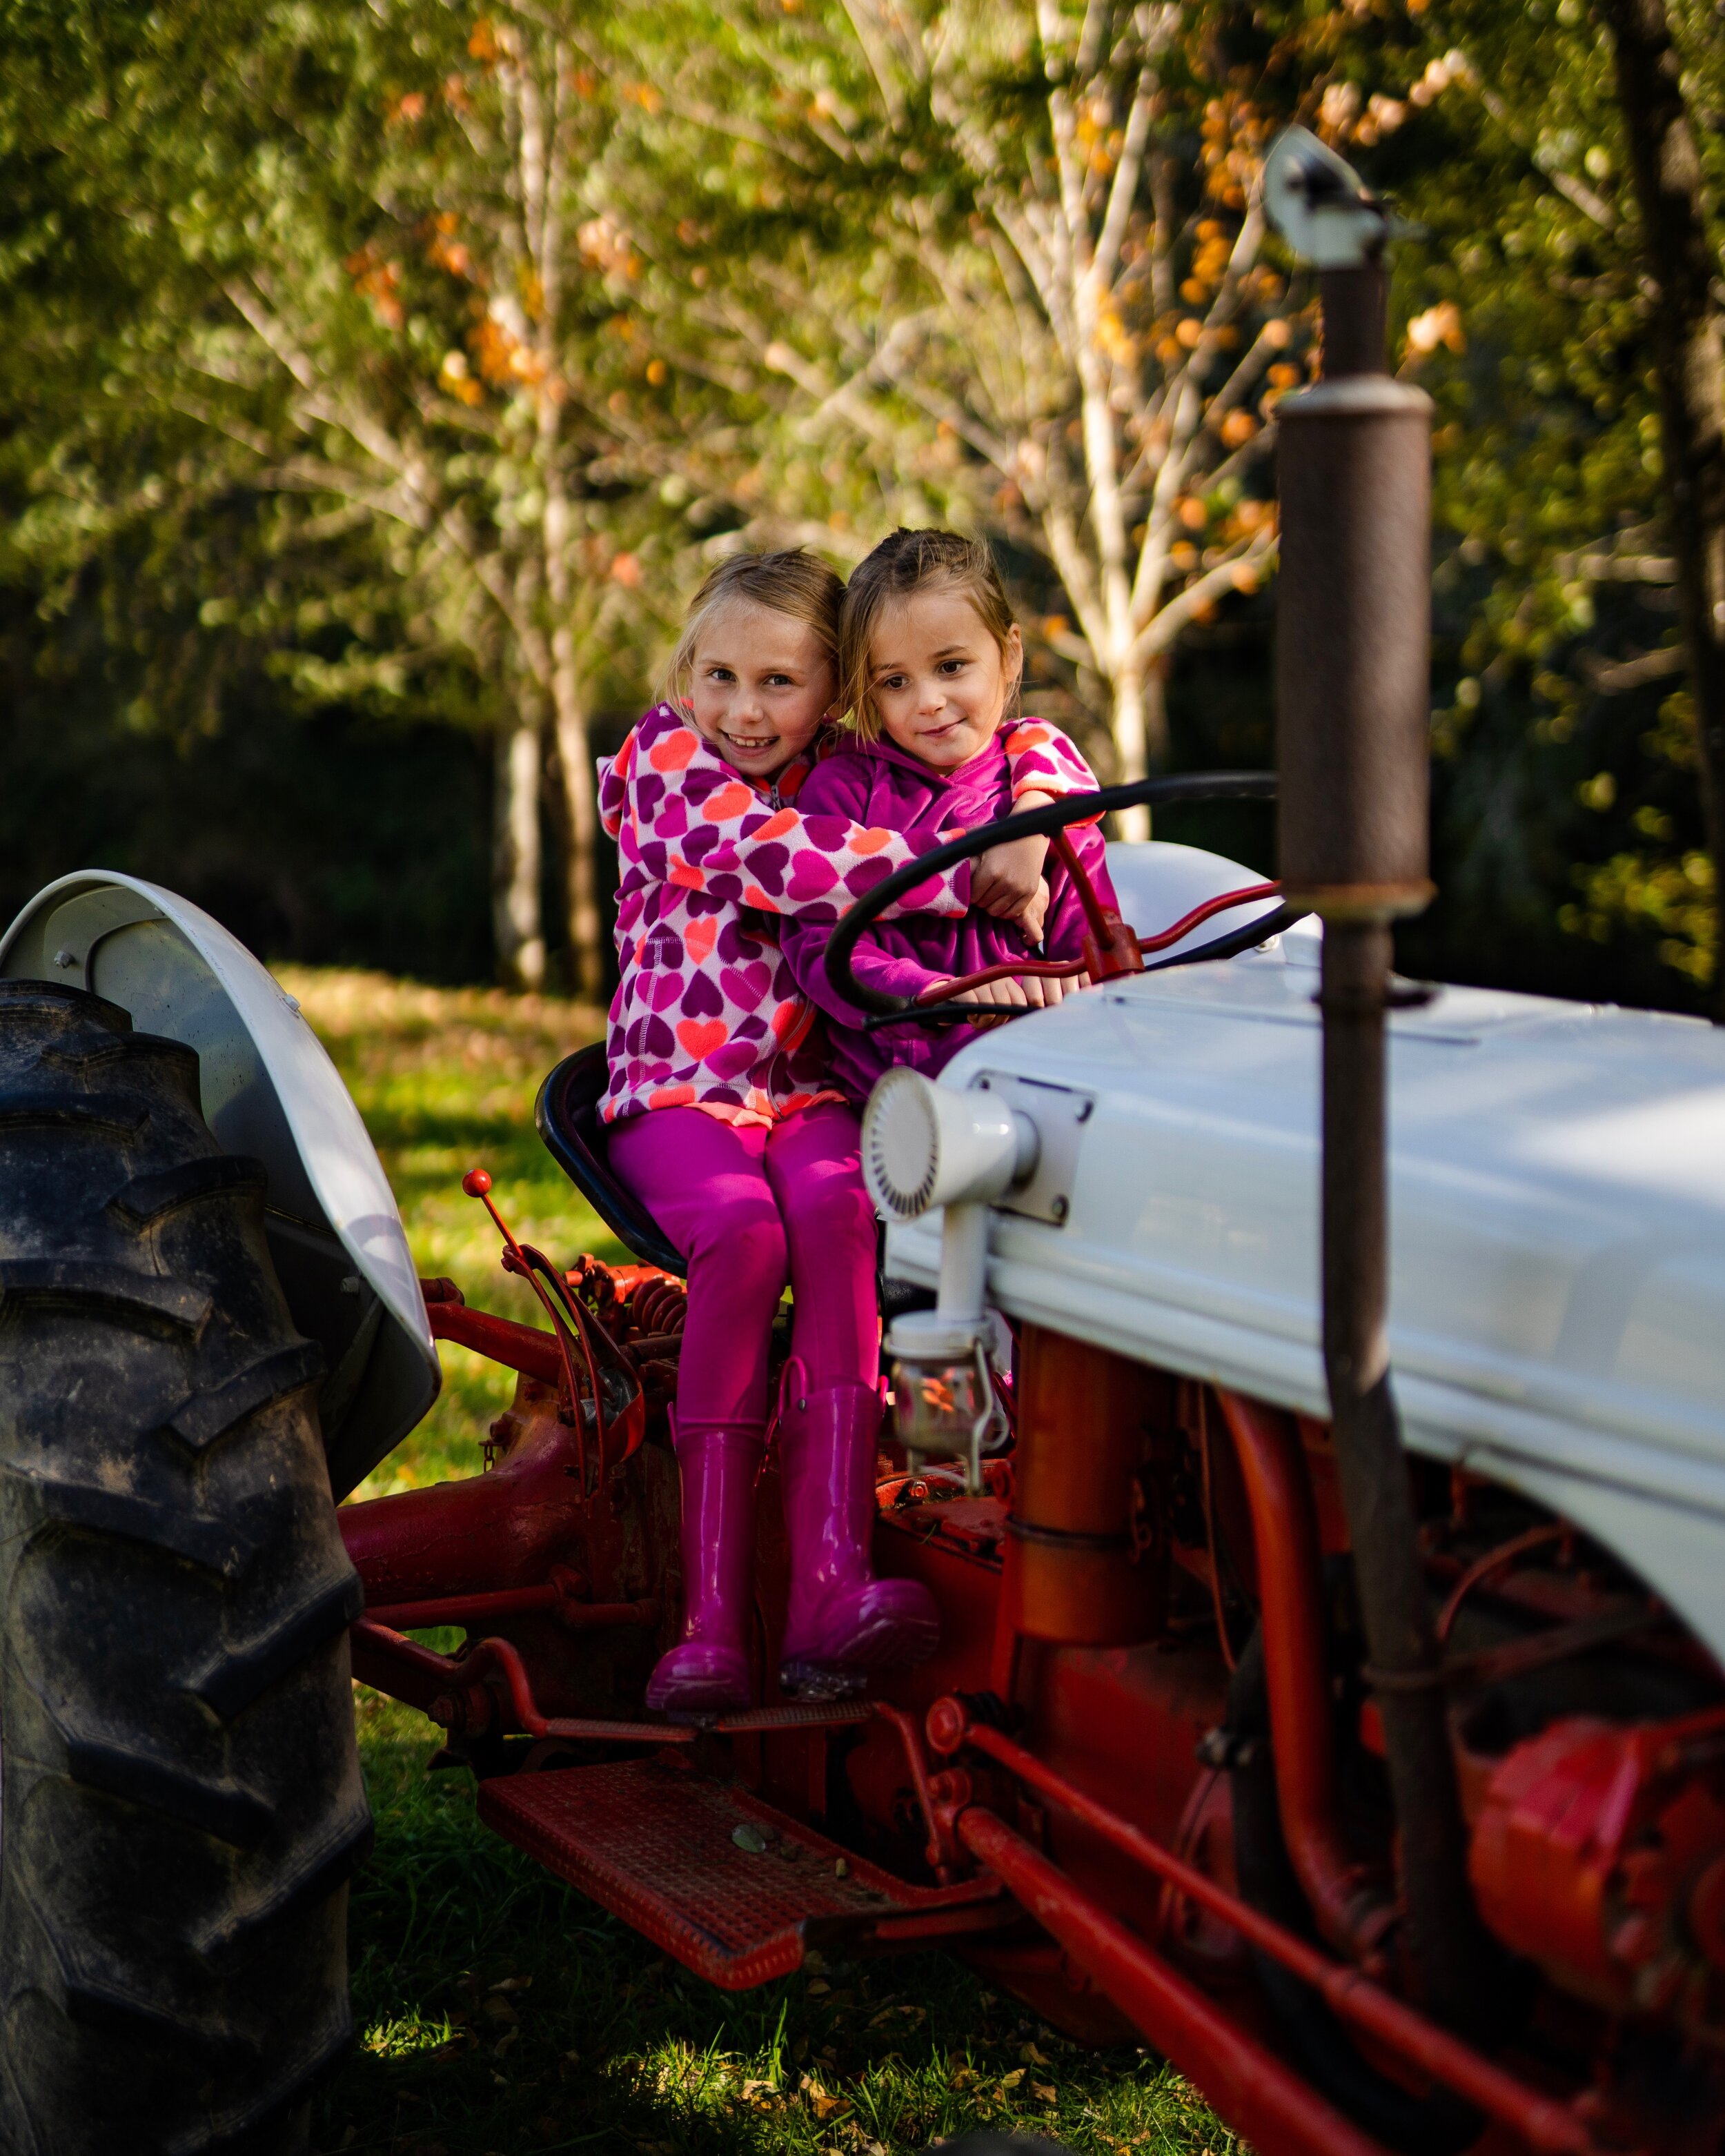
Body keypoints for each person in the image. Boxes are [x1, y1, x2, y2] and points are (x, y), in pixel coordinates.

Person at [598, 548, 1096, 1715]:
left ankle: (833, 1582)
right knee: (743, 1239)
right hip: (676, 1094)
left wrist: (1035, 806)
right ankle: (710, 1623)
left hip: (810, 1098)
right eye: (718, 674)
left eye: (780, 683)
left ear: (834, 698)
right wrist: (965, 874)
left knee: (839, 1214)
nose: (743, 708)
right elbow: (775, 862)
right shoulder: (663, 761)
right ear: (685, 674)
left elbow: (1036, 745)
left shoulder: (850, 775)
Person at [780, 527, 1115, 1111]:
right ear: (867, 689)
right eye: (896, 681)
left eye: (952, 666)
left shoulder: (1045, 799)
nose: (928, 700)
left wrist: (1071, 985)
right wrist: (938, 994)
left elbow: (1096, 947)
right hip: (893, 1110)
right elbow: (819, 946)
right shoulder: (841, 793)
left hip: (1037, 1094)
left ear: (1009, 654)